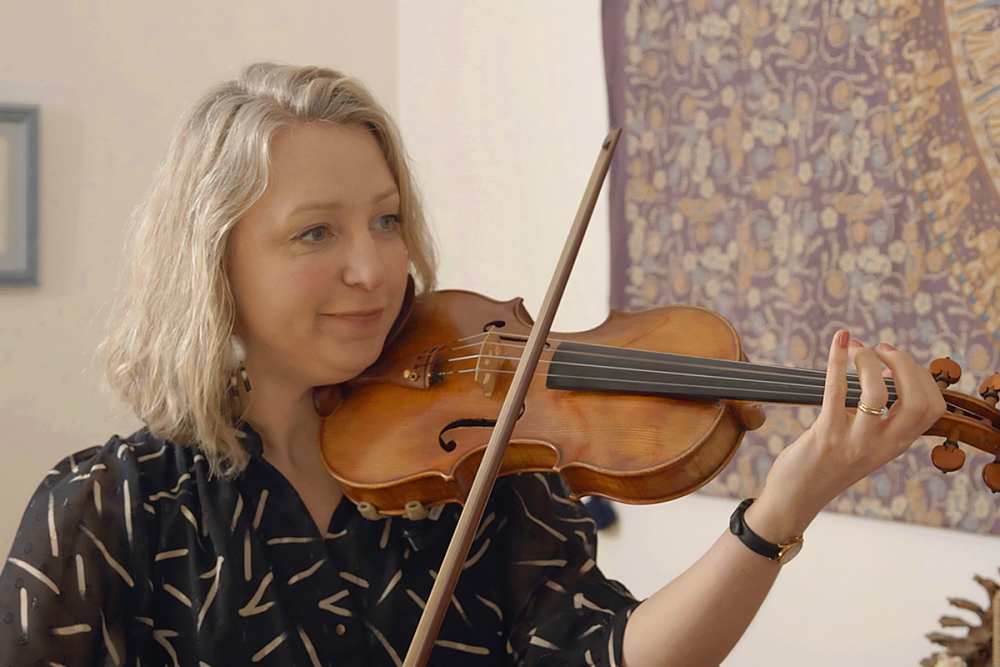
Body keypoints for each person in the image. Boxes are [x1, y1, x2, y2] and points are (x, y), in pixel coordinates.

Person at [0, 62, 946, 667]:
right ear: (212, 259)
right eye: (316, 232)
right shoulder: (108, 508)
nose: (375, 268)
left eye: (385, 219)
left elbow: (605, 658)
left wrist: (783, 509)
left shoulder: (480, 466)